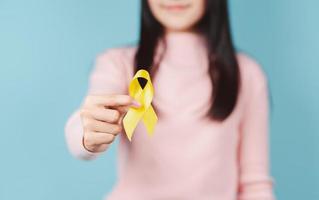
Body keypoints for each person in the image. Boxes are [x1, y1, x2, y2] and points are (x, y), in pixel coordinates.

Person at [65, 0, 276, 199]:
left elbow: (255, 186)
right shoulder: (118, 64)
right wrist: (90, 132)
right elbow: (83, 128)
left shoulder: (247, 75)